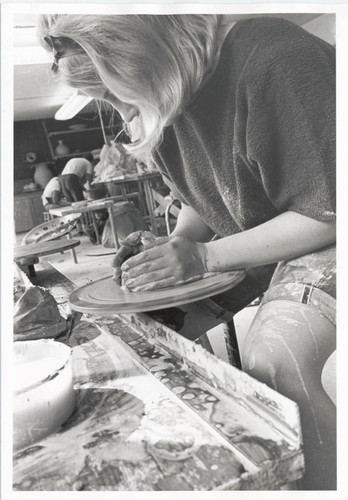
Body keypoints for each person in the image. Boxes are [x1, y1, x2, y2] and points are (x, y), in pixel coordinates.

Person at [38, 14, 336, 490]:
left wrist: (207, 258)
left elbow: (327, 212)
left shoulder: (273, 58)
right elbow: (203, 198)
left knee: (276, 356)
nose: (123, 112)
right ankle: (230, 457)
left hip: (328, 229)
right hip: (279, 229)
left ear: (146, 56)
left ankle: (320, 482)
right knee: (149, 324)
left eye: (116, 93)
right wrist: (181, 240)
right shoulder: (163, 99)